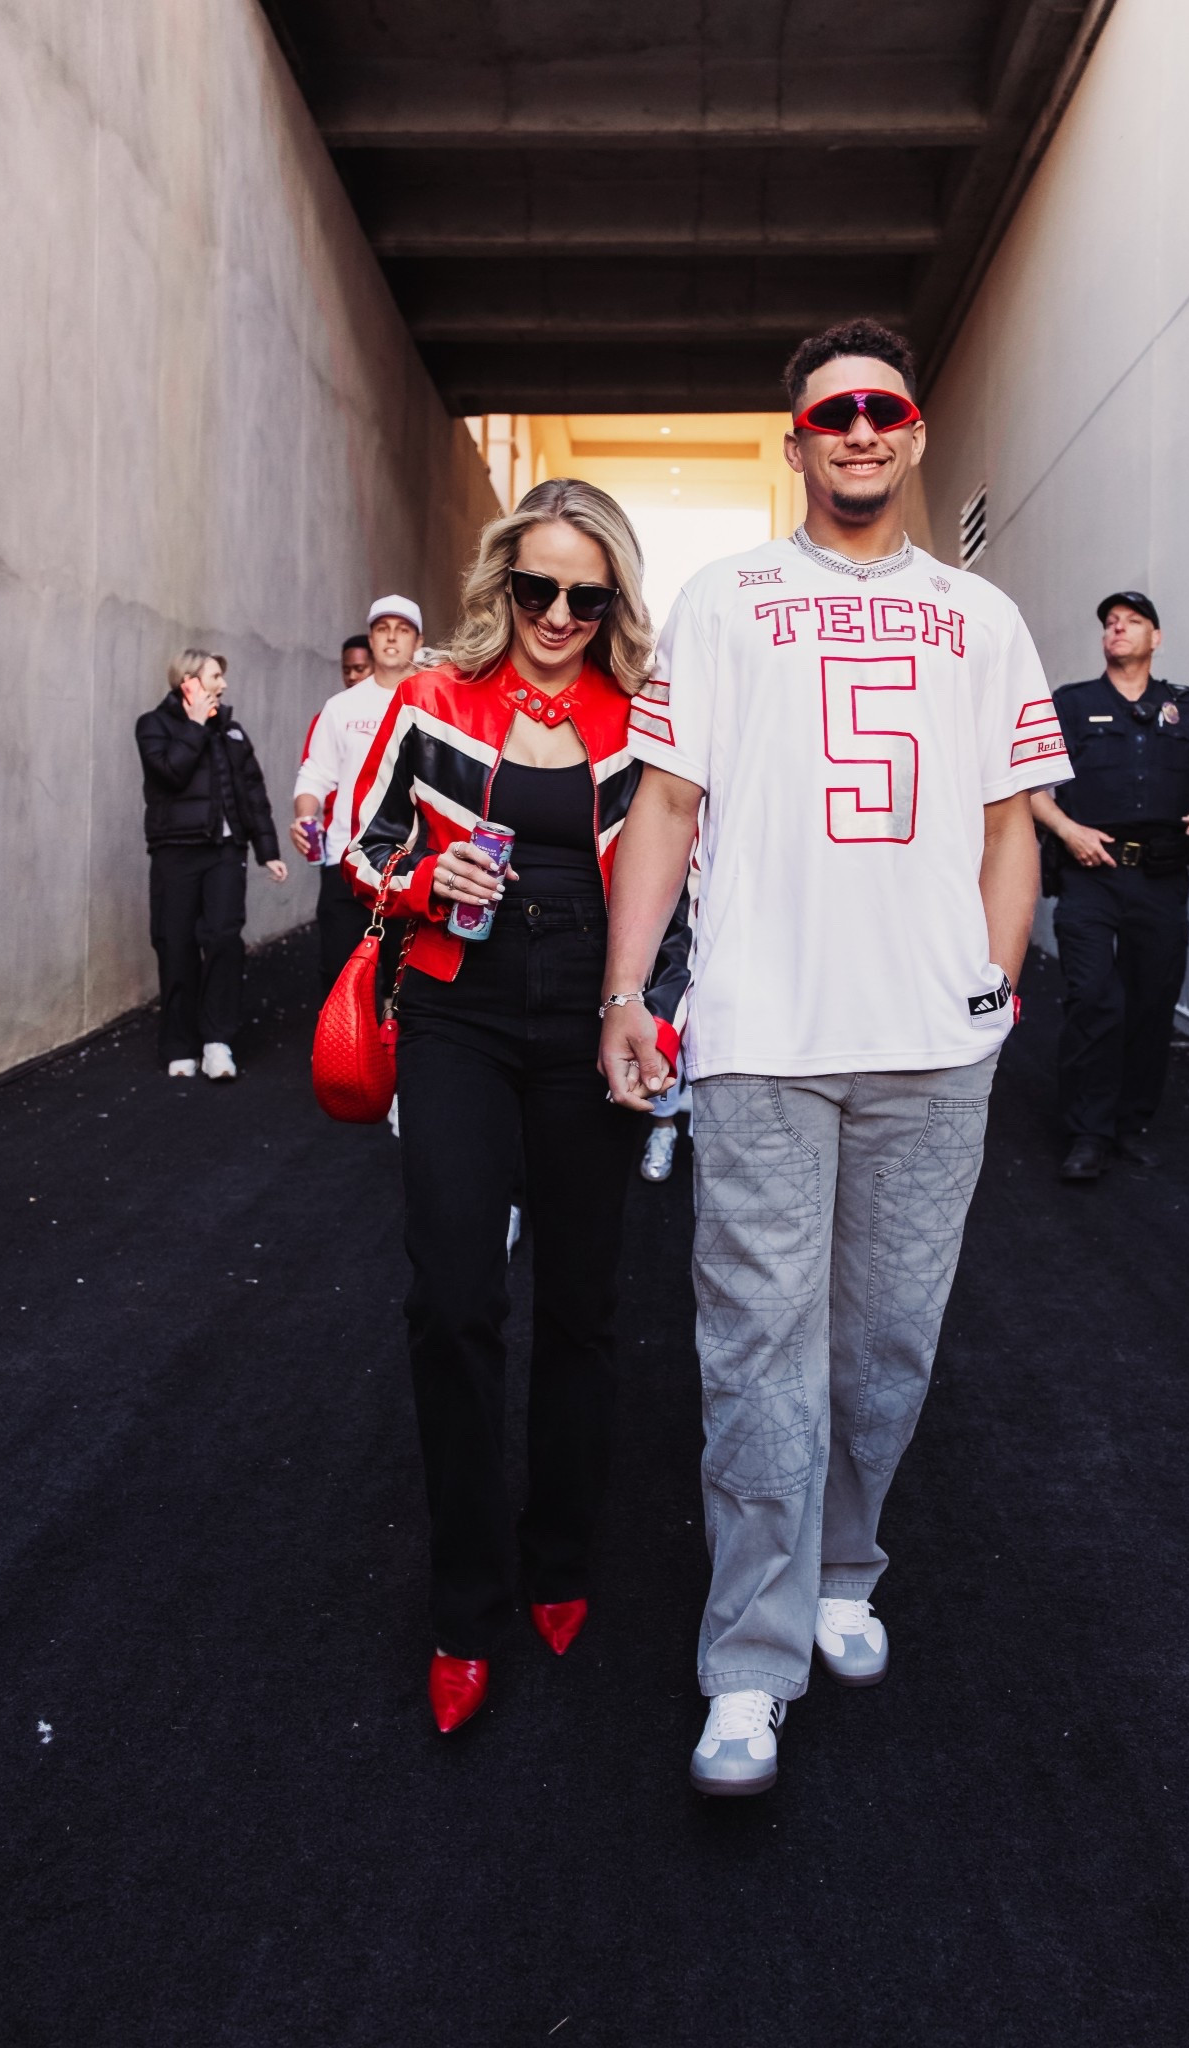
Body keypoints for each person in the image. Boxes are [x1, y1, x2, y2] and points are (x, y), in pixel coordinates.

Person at [599, 317, 1073, 1796]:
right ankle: (746, 1664)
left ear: (914, 432)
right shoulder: (724, 601)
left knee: (880, 1356)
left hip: (931, 1053)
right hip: (759, 1046)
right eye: (829, 412)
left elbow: (1011, 831)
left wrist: (990, 994)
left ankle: (842, 1565)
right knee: (755, 1360)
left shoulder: (982, 618)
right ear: (792, 441)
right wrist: (629, 991)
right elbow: (666, 808)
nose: (856, 430)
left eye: (880, 406)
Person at [345, 480, 689, 1736]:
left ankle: (559, 1557)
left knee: (584, 1306)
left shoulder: (644, 718)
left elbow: (684, 871)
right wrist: (427, 871)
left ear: (614, 602)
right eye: (535, 588)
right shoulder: (433, 698)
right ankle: (465, 1597)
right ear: (503, 586)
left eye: (583, 595)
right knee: (451, 1299)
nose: (555, 614)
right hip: (459, 1010)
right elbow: (358, 842)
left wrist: (655, 1005)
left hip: (588, 1015)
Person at [1030, 593, 1189, 1183]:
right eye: (1110, 623)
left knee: (1150, 1004)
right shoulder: (1071, 705)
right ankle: (1086, 1132)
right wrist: (1067, 831)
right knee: (1095, 999)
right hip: (1089, 873)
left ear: (1156, 638)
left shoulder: (1184, 708)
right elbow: (1032, 787)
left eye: (1132, 622)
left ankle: (1128, 1124)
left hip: (1160, 878)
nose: (1117, 629)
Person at [135, 650, 287, 1081]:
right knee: (176, 943)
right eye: (215, 677)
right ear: (189, 682)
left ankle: (217, 1042)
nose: (223, 685)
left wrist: (267, 850)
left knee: (223, 940)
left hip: (225, 853)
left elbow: (253, 795)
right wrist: (196, 726)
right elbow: (170, 773)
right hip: (175, 852)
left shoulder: (233, 734)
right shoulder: (153, 726)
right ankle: (179, 1044)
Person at [292, 600, 423, 992]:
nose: (392, 636)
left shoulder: (433, 703)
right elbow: (315, 773)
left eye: (403, 629)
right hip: (347, 863)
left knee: (407, 989)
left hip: (412, 868)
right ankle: (340, 1055)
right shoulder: (341, 708)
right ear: (371, 639)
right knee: (342, 982)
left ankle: (397, 1055)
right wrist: (304, 815)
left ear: (418, 641)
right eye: (383, 628)